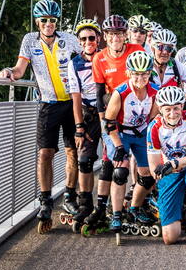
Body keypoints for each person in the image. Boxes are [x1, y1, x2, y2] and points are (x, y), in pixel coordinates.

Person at [0, 0, 81, 234]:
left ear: (57, 22)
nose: (48, 24)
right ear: (37, 21)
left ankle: (69, 195)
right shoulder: (29, 41)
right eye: (44, 20)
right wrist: (9, 73)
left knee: (72, 151)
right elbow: (20, 69)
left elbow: (86, 62)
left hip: (72, 102)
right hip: (48, 104)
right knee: (45, 153)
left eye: (52, 20)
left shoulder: (69, 39)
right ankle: (45, 201)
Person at [84, 15, 145, 232]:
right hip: (112, 114)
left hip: (136, 114)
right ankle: (106, 209)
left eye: (119, 34)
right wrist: (104, 124)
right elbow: (100, 95)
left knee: (144, 166)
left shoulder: (137, 49)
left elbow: (148, 79)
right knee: (114, 165)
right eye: (111, 34)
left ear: (125, 35)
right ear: (105, 37)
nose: (115, 38)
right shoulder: (99, 59)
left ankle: (138, 204)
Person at [102, 51, 159, 236]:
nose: (140, 78)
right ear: (128, 73)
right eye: (136, 73)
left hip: (141, 133)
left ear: (150, 73)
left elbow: (152, 120)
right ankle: (117, 214)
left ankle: (135, 207)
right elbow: (109, 123)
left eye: (144, 74)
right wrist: (118, 147)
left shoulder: (155, 93)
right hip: (119, 133)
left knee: (149, 174)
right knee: (121, 171)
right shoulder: (121, 93)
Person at [148, 86, 186, 246]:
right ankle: (177, 208)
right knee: (170, 238)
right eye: (167, 109)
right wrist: (168, 168)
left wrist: (176, 162)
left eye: (176, 108)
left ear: (182, 106)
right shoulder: (154, 127)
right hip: (170, 175)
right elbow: (154, 169)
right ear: (160, 109)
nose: (173, 113)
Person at [66, 19, 102, 230]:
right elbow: (76, 98)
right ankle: (85, 204)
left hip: (107, 111)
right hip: (88, 113)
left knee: (113, 161)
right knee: (84, 160)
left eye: (91, 38)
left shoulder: (105, 58)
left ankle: (109, 205)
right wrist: (79, 127)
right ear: (79, 42)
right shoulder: (75, 64)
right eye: (83, 39)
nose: (88, 42)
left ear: (98, 39)